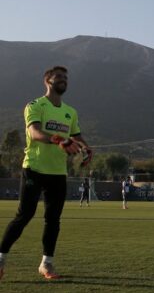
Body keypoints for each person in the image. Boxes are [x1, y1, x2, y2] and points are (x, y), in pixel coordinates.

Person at [0, 66, 92, 281]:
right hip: (34, 168)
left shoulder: (70, 111)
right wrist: (59, 139)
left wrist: (87, 149)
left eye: (65, 77)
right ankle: (1, 260)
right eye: (58, 76)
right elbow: (34, 132)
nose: (63, 80)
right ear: (47, 81)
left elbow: (76, 136)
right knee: (24, 215)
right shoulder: (35, 105)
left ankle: (46, 264)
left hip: (58, 172)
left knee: (53, 219)